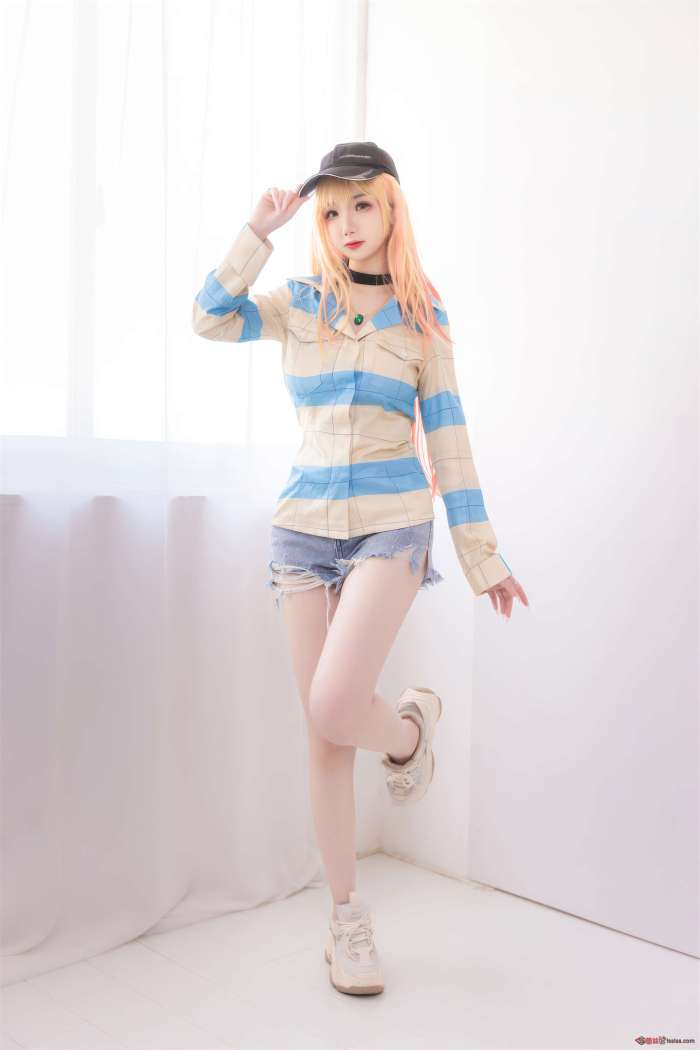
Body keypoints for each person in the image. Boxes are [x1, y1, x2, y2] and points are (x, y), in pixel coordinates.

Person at [192, 141, 529, 996]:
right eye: (331, 210)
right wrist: (257, 232)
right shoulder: (299, 303)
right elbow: (209, 317)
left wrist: (482, 555)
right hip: (302, 533)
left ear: (390, 210)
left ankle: (408, 734)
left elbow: (448, 442)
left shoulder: (423, 317)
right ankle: (346, 918)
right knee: (325, 733)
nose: (346, 224)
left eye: (362, 205)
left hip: (391, 526)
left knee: (338, 703)